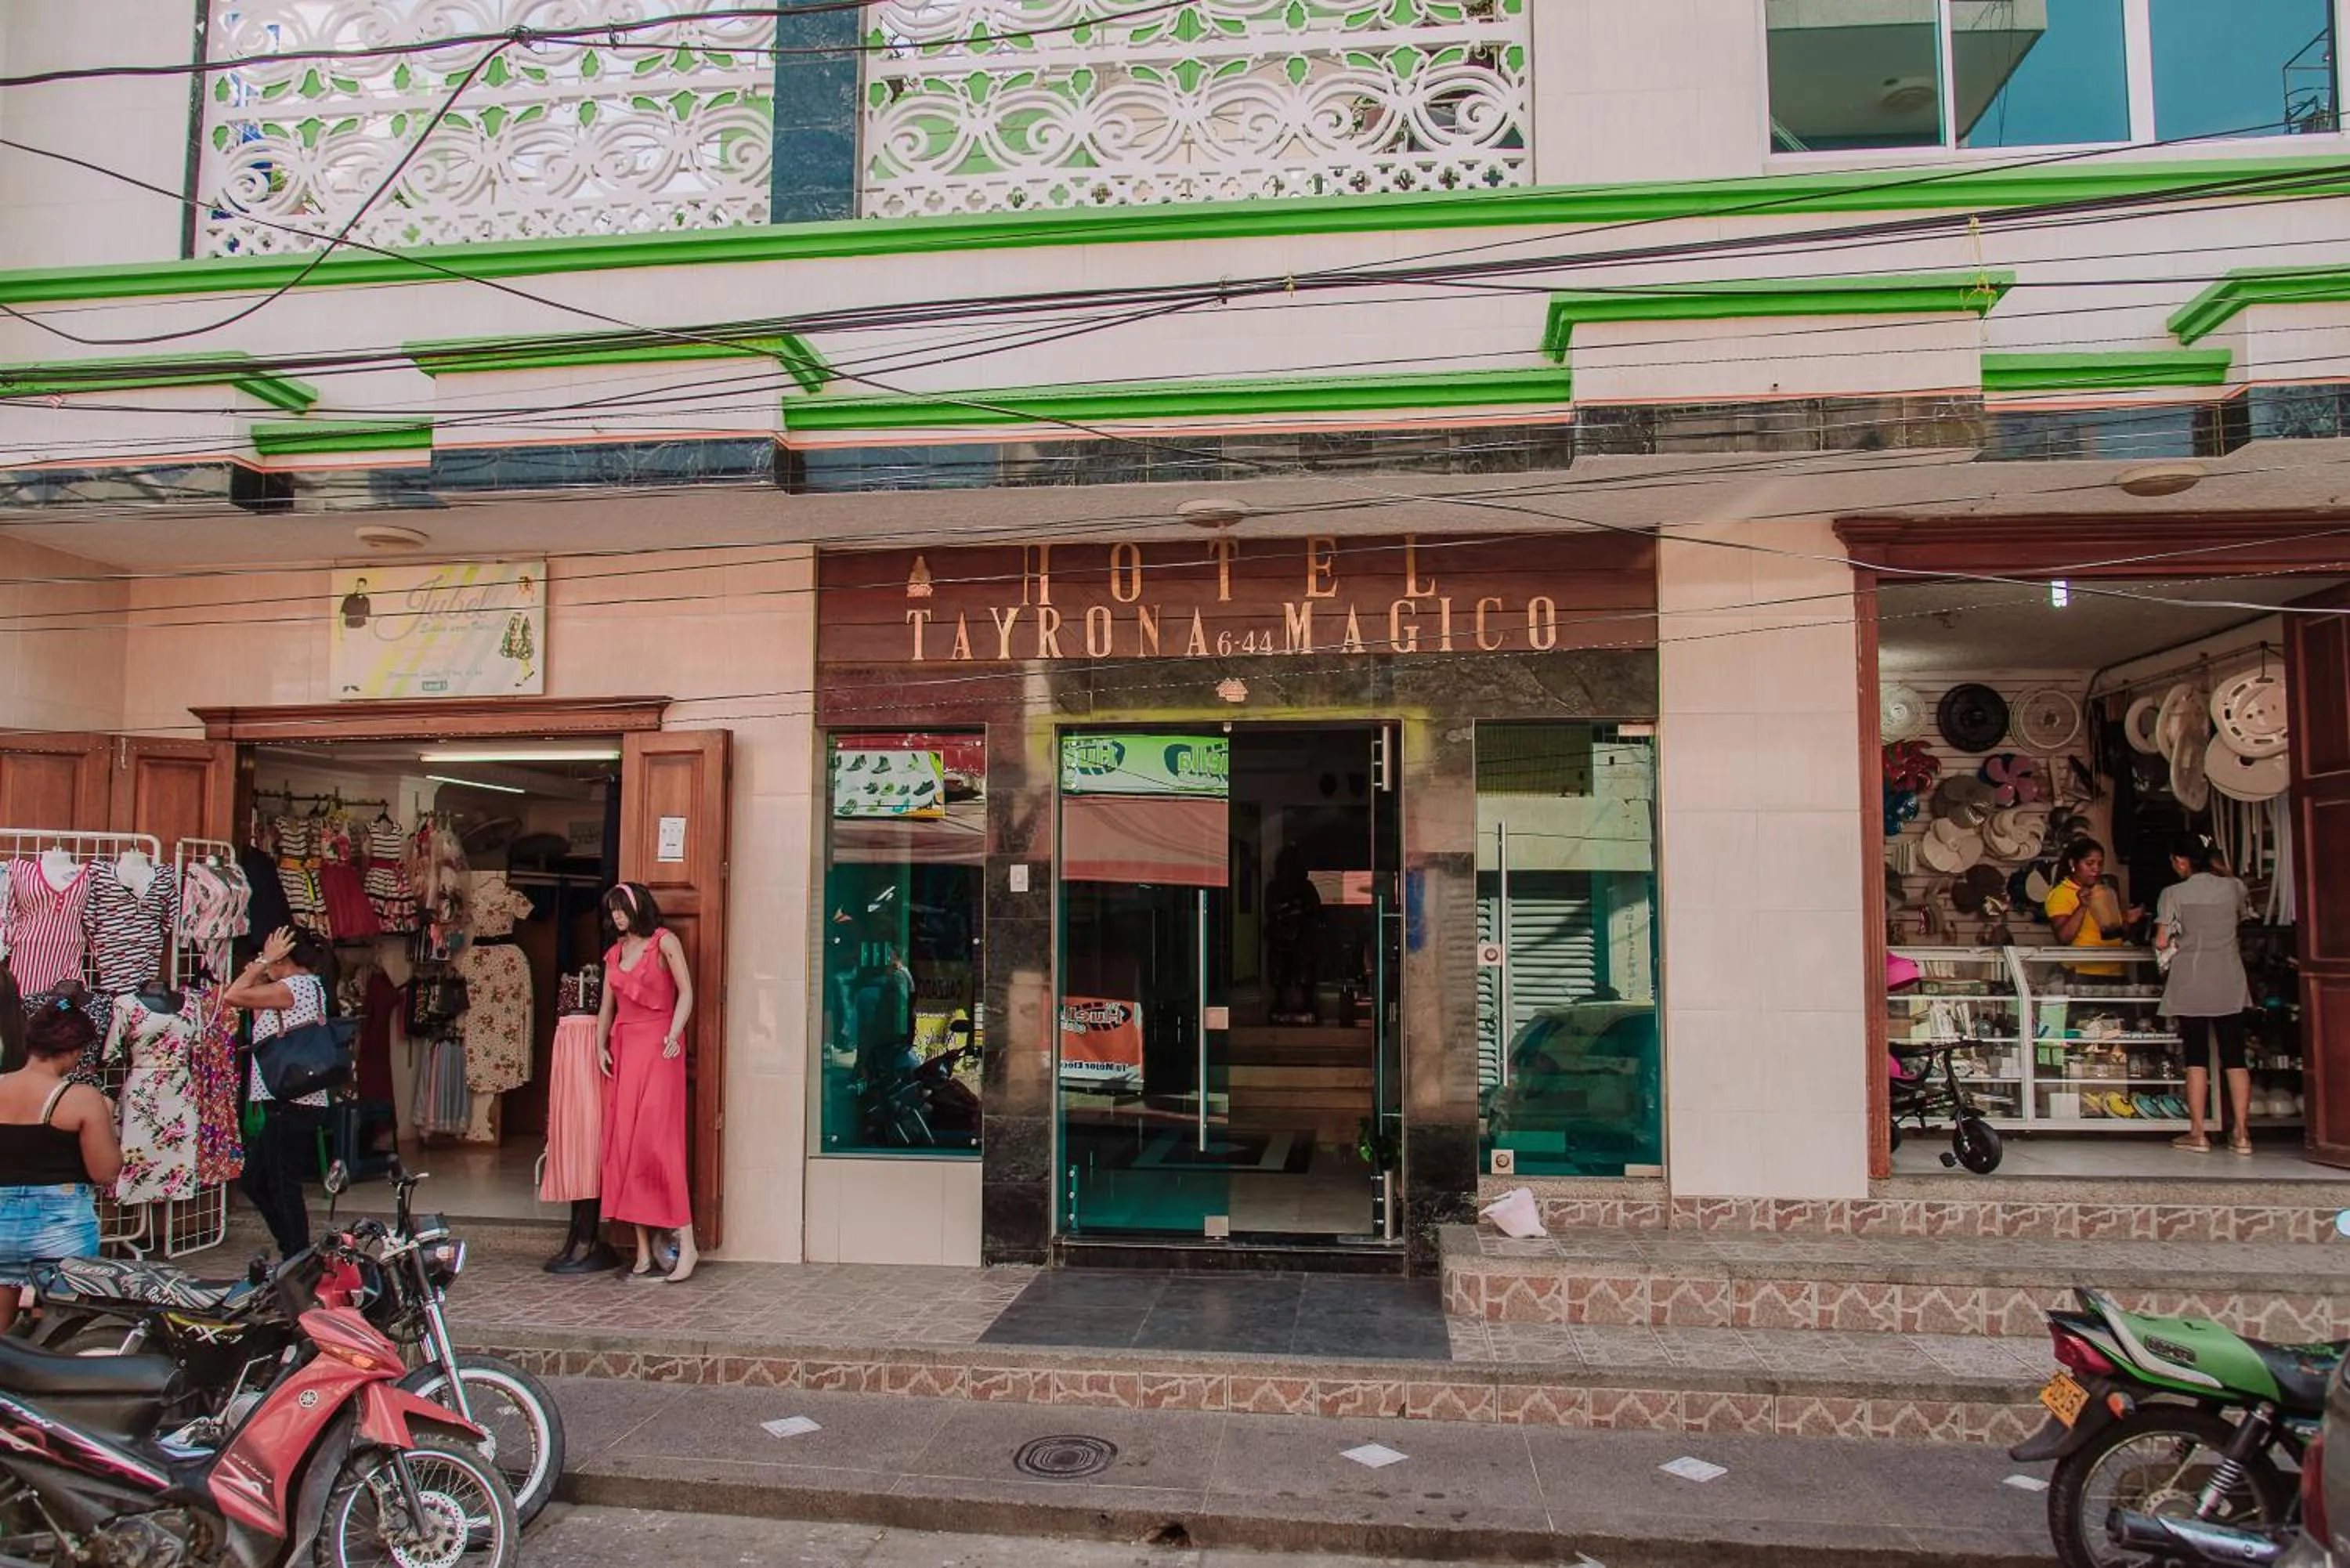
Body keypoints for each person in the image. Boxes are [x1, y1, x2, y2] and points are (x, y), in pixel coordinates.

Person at [0, 995, 122, 1331]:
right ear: (75, 1050)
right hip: (59, 1224)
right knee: (59, 1337)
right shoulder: (81, 1098)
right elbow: (105, 1171)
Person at [597, 882, 699, 1284]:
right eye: (614, 911)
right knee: (628, 1145)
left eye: (623, 909)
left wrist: (674, 1035)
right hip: (625, 1049)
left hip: (660, 1047)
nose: (619, 917)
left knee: (660, 1145)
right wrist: (598, 1045)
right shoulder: (615, 953)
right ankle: (642, 1250)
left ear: (639, 908)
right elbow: (607, 1007)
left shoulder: (665, 942)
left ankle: (687, 1244)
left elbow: (686, 992)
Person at [223, 926, 335, 1258]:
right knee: (257, 1181)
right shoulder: (306, 986)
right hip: (293, 1102)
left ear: (284, 956)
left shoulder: (295, 987)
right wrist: (264, 965)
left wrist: (264, 960)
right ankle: (294, 1250)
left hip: (292, 1103)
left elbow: (232, 995)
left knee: (282, 1185)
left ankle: (298, 1257)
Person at [2154, 834, 2255, 1155]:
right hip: (2229, 977)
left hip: (2192, 978)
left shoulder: (2173, 893)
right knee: (2235, 1055)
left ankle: (2198, 1133)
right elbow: (2244, 920)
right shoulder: (2235, 887)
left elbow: (2160, 941)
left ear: (2182, 861)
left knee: (2196, 1055)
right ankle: (2241, 1133)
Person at [2043, 838, 2141, 979]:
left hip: (2115, 972)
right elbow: (2064, 938)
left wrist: (2127, 920)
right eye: (2089, 863)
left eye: (2100, 863)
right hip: (2081, 974)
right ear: (2073, 864)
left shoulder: (2105, 892)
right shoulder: (2061, 894)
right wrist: (2083, 906)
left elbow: (2113, 935)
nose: (2096, 868)